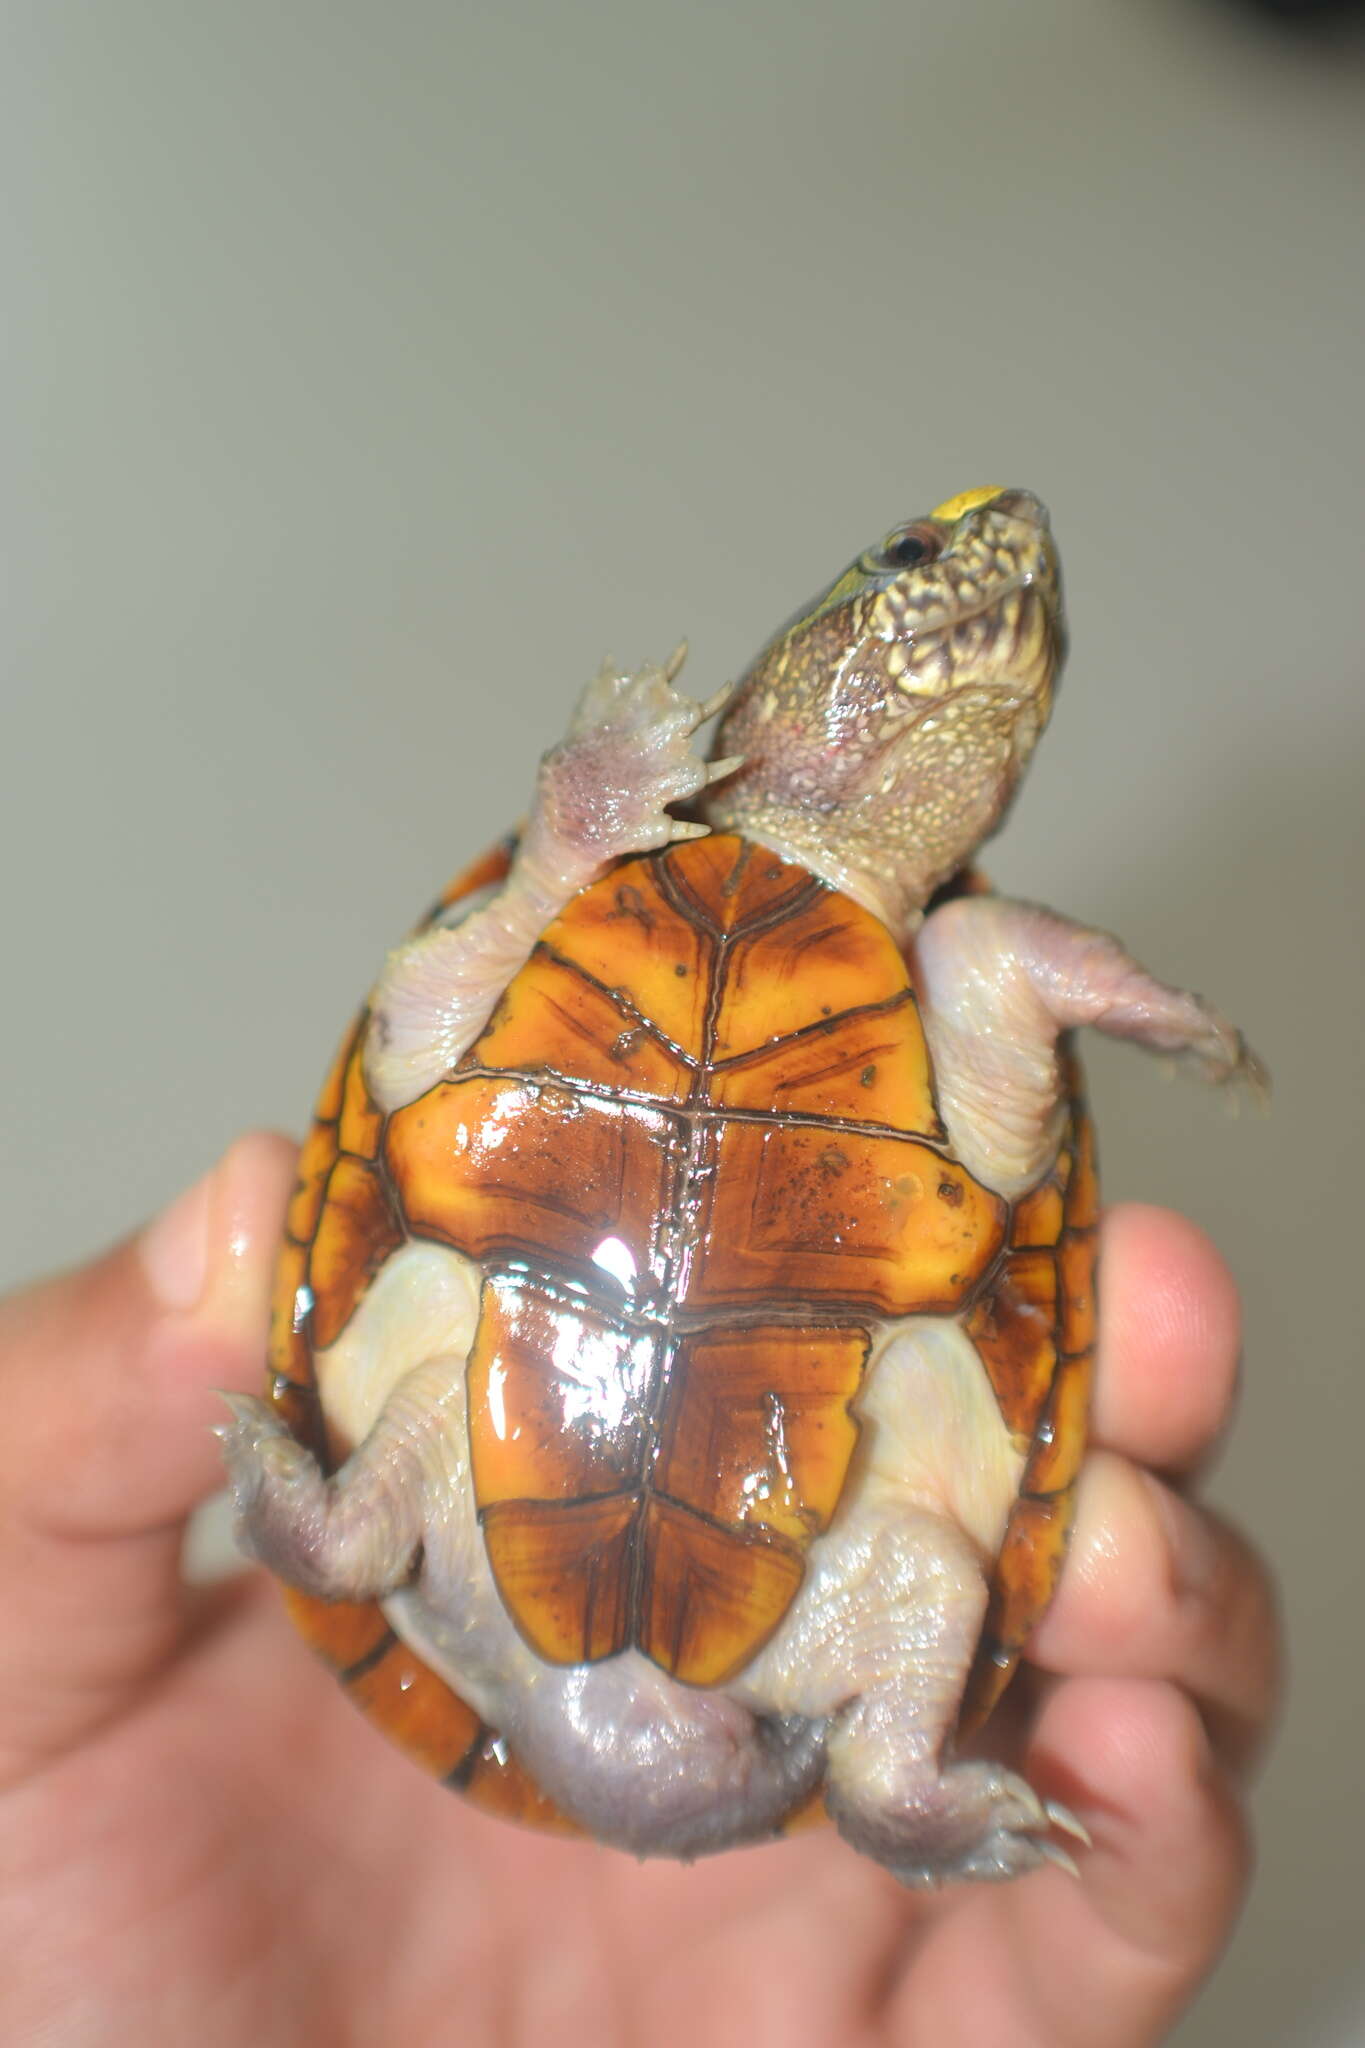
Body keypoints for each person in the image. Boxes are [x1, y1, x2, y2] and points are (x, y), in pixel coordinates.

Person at [0, 1132, 1280, 2046]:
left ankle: (881, 1775)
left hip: (530, 1522)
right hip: (743, 1531)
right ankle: (881, 1773)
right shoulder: (827, 1611)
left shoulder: (440, 1542)